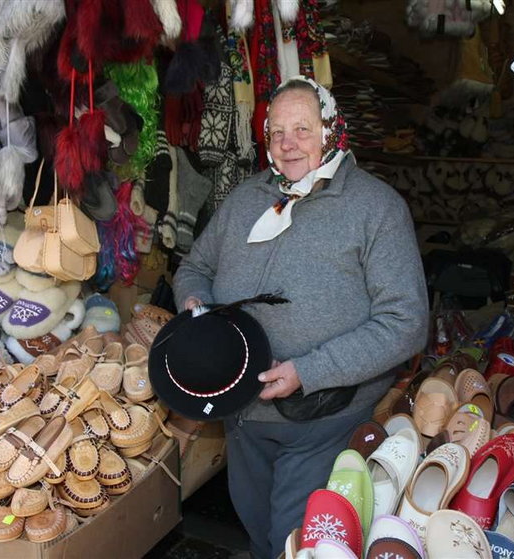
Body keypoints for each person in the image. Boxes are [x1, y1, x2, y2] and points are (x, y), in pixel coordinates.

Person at [173, 75, 429, 559]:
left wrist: (308, 371)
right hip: (241, 410)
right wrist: (196, 307)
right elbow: (195, 267)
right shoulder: (246, 199)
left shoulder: (376, 209)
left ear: (331, 132)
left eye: (302, 130)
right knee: (255, 524)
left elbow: (407, 322)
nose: (288, 145)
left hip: (322, 415)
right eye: (276, 132)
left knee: (293, 540)